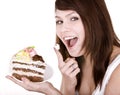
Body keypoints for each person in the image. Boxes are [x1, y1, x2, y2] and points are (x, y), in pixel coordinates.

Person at [6, 0, 120, 95]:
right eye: (59, 21)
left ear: (96, 20)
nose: (63, 29)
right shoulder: (75, 62)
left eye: (74, 18)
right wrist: (68, 83)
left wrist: (49, 91)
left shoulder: (117, 69)